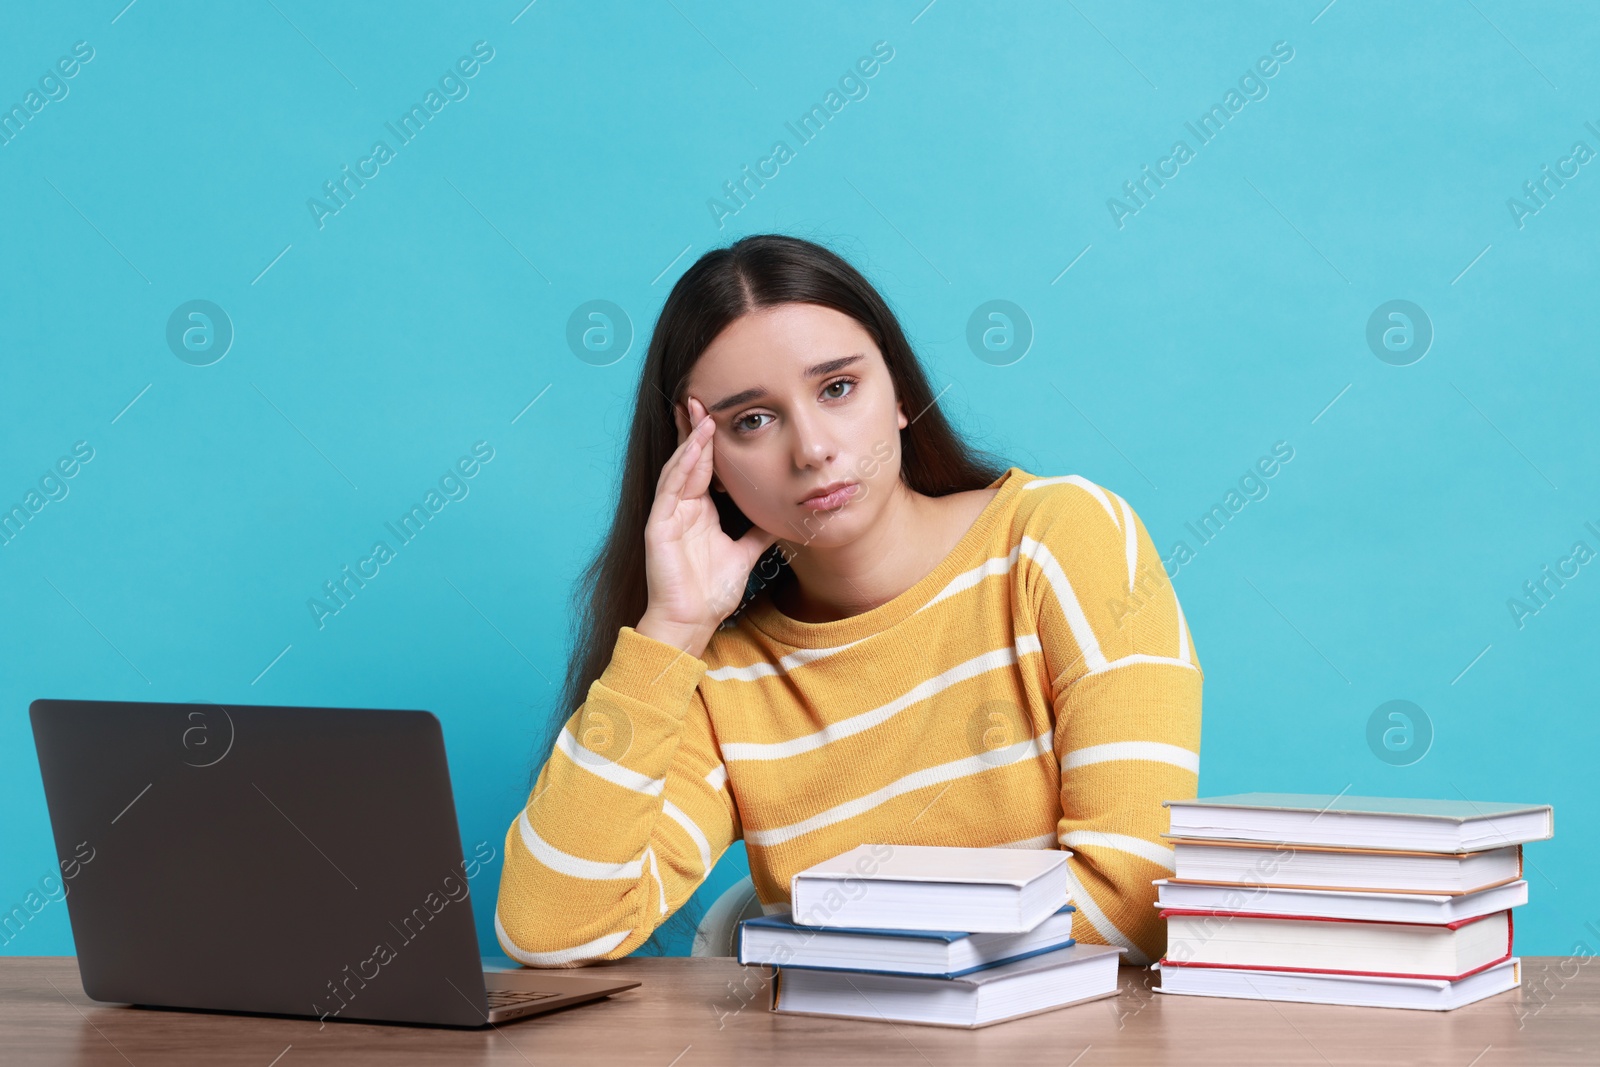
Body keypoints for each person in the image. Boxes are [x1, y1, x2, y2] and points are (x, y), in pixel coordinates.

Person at [494, 234, 1202, 967]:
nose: (813, 449)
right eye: (751, 421)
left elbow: (1132, 899)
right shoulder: (722, 671)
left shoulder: (1061, 539)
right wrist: (672, 629)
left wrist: (831, 948)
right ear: (702, 461)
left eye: (837, 388)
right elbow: (549, 928)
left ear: (898, 391)